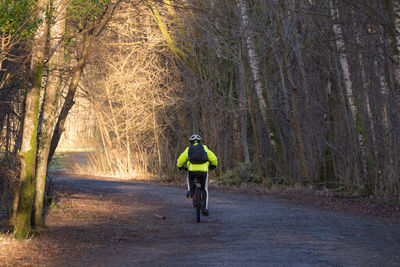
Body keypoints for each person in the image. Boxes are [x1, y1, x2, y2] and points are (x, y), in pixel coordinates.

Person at [177, 134, 218, 216]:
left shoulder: (188, 149)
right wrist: (213, 165)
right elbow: (214, 158)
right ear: (199, 142)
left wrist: (180, 166)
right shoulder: (204, 148)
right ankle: (205, 208)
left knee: (189, 175)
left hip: (192, 171)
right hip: (203, 171)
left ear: (191, 142)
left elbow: (180, 160)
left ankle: (190, 191)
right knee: (204, 189)